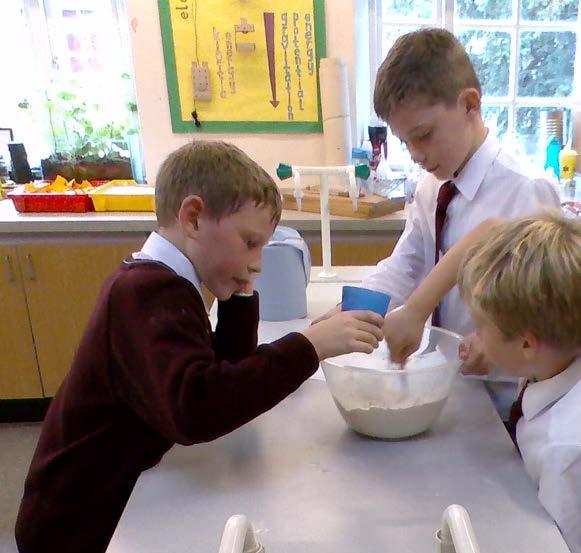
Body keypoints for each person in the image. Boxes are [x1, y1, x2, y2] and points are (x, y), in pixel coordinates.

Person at [15, 141, 385, 553]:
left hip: (108, 501)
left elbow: (225, 373)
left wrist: (240, 296)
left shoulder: (166, 284)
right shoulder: (147, 293)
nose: (258, 262)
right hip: (75, 522)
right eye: (249, 242)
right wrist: (310, 347)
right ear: (193, 218)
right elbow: (198, 408)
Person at [315, 28, 560, 417]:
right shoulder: (432, 186)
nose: (415, 154)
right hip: (448, 383)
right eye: (404, 142)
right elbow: (408, 264)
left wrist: (492, 339)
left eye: (423, 135)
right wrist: (351, 307)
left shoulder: (526, 189)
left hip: (505, 396)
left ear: (469, 105)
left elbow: (549, 306)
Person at [383, 212, 581, 553]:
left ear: (527, 344)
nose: (475, 335)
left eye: (481, 327)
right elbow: (491, 229)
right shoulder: (550, 363)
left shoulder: (564, 453)